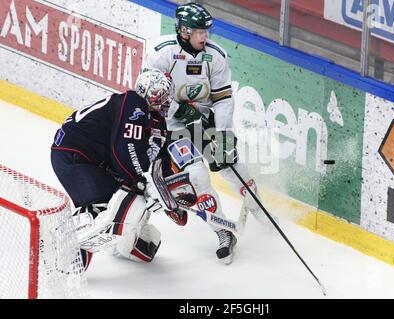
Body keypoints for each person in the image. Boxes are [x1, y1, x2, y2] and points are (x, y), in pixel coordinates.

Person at [143, 2, 276, 265]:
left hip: (206, 122)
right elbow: (148, 92)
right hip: (175, 129)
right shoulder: (161, 53)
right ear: (183, 31)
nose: (204, 36)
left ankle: (258, 207)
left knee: (231, 165)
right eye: (198, 31)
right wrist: (179, 109)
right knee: (198, 175)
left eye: (206, 31)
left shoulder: (215, 55)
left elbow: (224, 99)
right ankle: (223, 232)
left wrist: (223, 135)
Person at [50, 68, 181, 270]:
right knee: (105, 206)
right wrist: (142, 180)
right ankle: (61, 245)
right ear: (146, 91)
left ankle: (126, 243)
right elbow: (125, 149)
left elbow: (158, 159)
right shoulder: (134, 103)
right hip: (74, 155)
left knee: (131, 198)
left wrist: (172, 192)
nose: (165, 101)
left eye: (166, 96)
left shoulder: (157, 122)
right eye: (160, 95)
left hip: (94, 161)